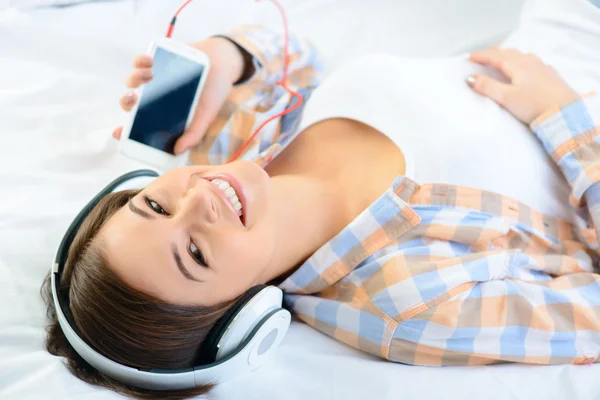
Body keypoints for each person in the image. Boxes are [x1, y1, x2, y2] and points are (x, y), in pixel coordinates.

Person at [42, 1, 600, 399]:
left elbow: (301, 55)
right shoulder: (406, 308)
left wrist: (229, 57)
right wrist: (562, 118)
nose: (196, 201)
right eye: (194, 254)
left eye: (155, 207)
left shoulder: (235, 140)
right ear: (243, 317)